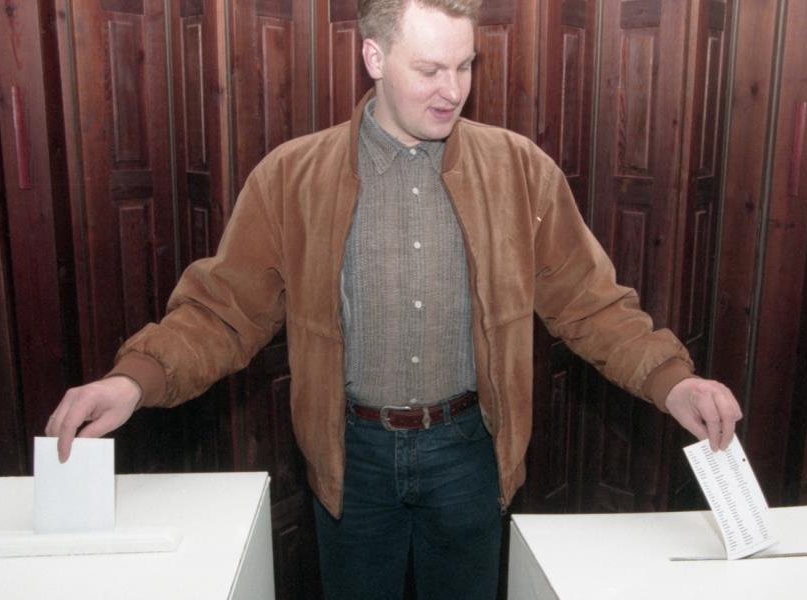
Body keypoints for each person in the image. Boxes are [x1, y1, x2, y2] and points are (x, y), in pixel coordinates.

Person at [46, 0, 742, 597]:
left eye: (465, 66)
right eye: (430, 70)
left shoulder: (520, 171)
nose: (453, 91)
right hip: (351, 460)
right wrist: (134, 380)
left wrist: (671, 381)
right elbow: (222, 311)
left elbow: (591, 303)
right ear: (374, 57)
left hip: (471, 453)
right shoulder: (291, 178)